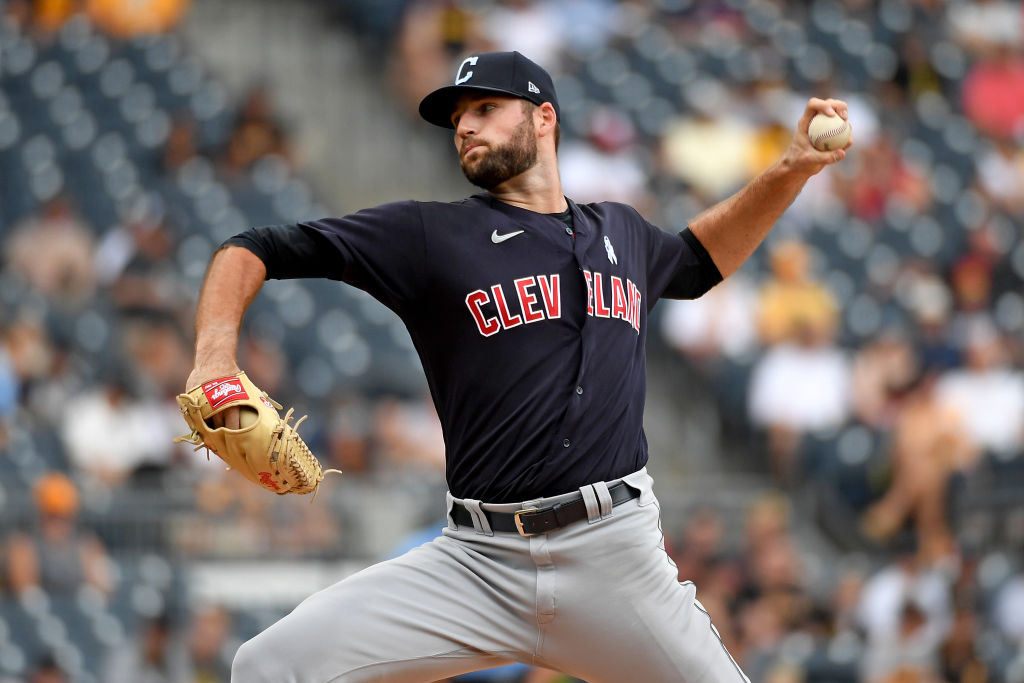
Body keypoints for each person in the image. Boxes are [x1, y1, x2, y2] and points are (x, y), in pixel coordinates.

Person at [184, 51, 850, 682]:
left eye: (483, 107)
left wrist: (790, 168)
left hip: (614, 557)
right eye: (457, 118)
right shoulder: (430, 236)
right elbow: (254, 247)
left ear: (543, 117)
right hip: (475, 561)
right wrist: (213, 354)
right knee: (269, 665)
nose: (465, 125)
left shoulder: (620, 231)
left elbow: (700, 261)